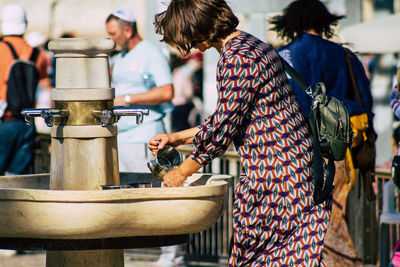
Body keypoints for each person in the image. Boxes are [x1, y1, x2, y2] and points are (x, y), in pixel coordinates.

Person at [150, 0, 331, 266]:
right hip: (299, 176)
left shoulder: (236, 58)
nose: (187, 46)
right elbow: (229, 119)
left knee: (257, 260)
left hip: (276, 184)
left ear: (198, 26)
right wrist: (176, 138)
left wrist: (180, 173)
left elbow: (222, 129)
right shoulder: (252, 45)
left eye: (186, 36)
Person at [270, 1, 375, 266]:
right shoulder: (345, 56)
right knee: (334, 223)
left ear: (291, 23)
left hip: (293, 154)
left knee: (296, 226)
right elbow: (365, 101)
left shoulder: (281, 57)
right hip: (340, 151)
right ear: (324, 22)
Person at [105, 8, 174, 172]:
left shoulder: (151, 52)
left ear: (127, 31)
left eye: (113, 33)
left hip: (145, 136)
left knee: (145, 190)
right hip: (122, 137)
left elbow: (167, 91)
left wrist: (128, 99)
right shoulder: (120, 57)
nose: (110, 38)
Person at [0, 4, 49, 176]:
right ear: (25, 24)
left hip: (4, 121)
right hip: (27, 123)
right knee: (19, 181)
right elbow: (45, 86)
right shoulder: (38, 54)